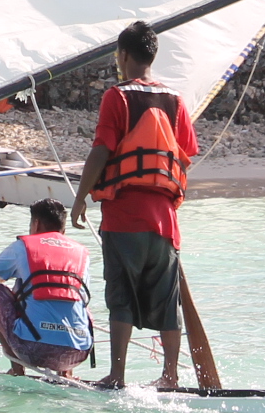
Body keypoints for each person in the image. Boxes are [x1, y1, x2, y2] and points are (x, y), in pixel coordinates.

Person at [71, 19, 197, 391]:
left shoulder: (118, 96)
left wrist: (80, 198)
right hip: (165, 222)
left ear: (122, 56)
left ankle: (118, 376)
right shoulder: (175, 100)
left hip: (123, 217)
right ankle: (170, 376)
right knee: (167, 301)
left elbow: (101, 149)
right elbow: (186, 152)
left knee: (121, 297)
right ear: (152, 56)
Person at [0, 198, 92, 380]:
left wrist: (9, 275)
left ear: (36, 224)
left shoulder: (22, 247)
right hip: (77, 352)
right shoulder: (82, 253)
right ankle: (66, 372)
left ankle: (17, 369)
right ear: (63, 229)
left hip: (32, 349)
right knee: (77, 298)